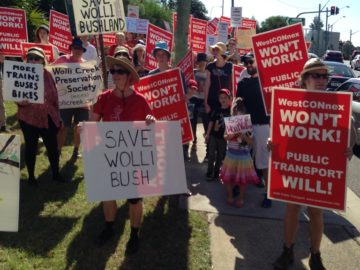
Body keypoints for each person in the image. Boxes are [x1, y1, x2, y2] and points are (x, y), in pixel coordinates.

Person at [271, 58, 356, 270]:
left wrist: (350, 147)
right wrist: (272, 143)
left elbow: (351, 128)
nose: (321, 80)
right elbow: (280, 133)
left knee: (316, 212)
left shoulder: (335, 103)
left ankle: (315, 255)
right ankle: (287, 250)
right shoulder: (291, 101)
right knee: (292, 208)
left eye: (324, 76)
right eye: (316, 75)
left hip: (320, 168)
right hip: (296, 166)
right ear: (304, 79)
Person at [91, 55, 155, 255]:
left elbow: (151, 124)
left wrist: (151, 120)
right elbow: (93, 123)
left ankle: (134, 234)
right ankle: (109, 227)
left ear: (128, 76)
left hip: (133, 158)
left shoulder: (140, 100)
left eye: (120, 72)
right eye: (113, 72)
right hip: (110, 155)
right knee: (108, 194)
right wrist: (84, 128)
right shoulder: (104, 97)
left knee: (135, 199)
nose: (115, 75)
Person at [16, 47, 63, 185]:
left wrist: (58, 115)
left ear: (43, 60)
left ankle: (56, 174)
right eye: (30, 58)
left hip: (49, 117)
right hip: (28, 118)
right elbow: (14, 94)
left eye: (36, 58)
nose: (33, 61)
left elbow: (56, 96)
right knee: (31, 147)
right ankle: (31, 177)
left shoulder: (49, 75)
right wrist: (20, 102)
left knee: (52, 147)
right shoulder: (21, 74)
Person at [236, 52, 272, 208]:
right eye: (246, 63)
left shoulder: (267, 83)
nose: (249, 65)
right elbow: (238, 106)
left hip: (263, 126)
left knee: (264, 162)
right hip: (246, 125)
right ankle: (239, 184)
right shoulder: (242, 83)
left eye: (251, 62)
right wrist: (238, 127)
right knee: (240, 157)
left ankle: (269, 193)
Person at [148, 40, 190, 161]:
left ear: (168, 57)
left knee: (174, 152)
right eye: (158, 55)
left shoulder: (177, 73)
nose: (161, 57)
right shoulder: (150, 74)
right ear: (155, 57)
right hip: (158, 116)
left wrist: (185, 99)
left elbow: (183, 95)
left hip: (174, 116)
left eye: (163, 55)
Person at [220, 97, 260, 207]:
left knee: (242, 180)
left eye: (240, 115)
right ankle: (230, 195)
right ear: (233, 113)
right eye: (236, 114)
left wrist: (243, 136)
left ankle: (241, 198)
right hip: (231, 154)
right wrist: (231, 135)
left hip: (244, 156)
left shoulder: (248, 125)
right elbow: (225, 137)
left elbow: (251, 142)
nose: (238, 117)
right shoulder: (230, 123)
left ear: (244, 114)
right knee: (228, 178)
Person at [53, 38, 88, 162]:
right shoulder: (62, 60)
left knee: (79, 128)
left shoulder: (86, 64)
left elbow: (91, 83)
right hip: (65, 101)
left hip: (82, 103)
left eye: (80, 49)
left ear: (83, 51)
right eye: (75, 48)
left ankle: (75, 151)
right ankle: (57, 151)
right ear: (71, 49)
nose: (78, 51)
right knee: (63, 127)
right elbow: (52, 73)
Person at [205, 89, 232, 181]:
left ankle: (216, 172)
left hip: (223, 138)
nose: (223, 100)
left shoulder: (231, 111)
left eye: (225, 98)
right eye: (221, 98)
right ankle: (209, 171)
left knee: (220, 156)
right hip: (213, 135)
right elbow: (211, 122)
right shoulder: (216, 109)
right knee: (211, 154)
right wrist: (207, 134)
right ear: (219, 99)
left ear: (229, 99)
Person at [204, 42, 233, 115]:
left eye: (217, 50)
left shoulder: (230, 66)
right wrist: (206, 102)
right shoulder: (210, 66)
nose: (215, 52)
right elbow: (207, 85)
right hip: (212, 99)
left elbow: (233, 83)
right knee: (212, 123)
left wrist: (232, 100)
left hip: (226, 100)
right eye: (213, 50)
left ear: (222, 51)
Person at [190, 53, 208, 152]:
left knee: (206, 121)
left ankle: (207, 141)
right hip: (194, 99)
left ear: (206, 62)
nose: (201, 63)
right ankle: (194, 142)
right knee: (193, 121)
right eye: (200, 61)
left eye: (203, 61)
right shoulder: (193, 72)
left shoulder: (209, 73)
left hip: (204, 99)